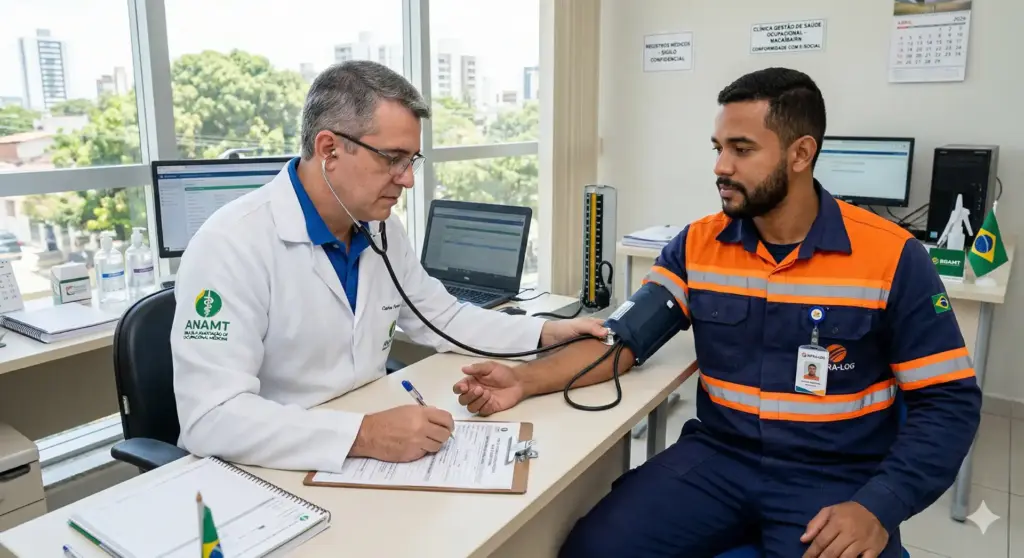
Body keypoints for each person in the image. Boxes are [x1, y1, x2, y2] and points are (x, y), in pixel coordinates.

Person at [452, 67, 982, 558]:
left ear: (801, 154)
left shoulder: (892, 257)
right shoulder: (698, 245)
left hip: (833, 475)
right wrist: (522, 381)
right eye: (719, 147)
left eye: (742, 149)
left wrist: (878, 506)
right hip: (719, 461)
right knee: (594, 550)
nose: (721, 166)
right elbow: (622, 340)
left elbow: (947, 402)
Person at [170, 60, 604, 474]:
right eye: (391, 158)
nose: (407, 179)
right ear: (329, 149)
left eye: (411, 161)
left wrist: (545, 333)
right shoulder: (230, 244)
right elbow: (211, 417)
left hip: (354, 454)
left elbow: (443, 318)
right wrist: (364, 433)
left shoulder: (381, 229)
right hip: (262, 469)